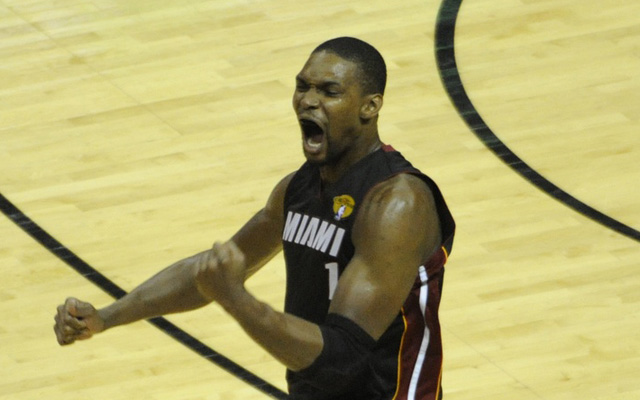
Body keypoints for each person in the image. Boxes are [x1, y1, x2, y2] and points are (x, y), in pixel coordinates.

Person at [54, 37, 455, 400]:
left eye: (329, 91)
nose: (308, 101)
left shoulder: (397, 204)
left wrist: (237, 301)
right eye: (302, 86)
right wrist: (106, 317)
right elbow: (208, 272)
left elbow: (341, 357)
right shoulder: (297, 189)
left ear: (371, 105)